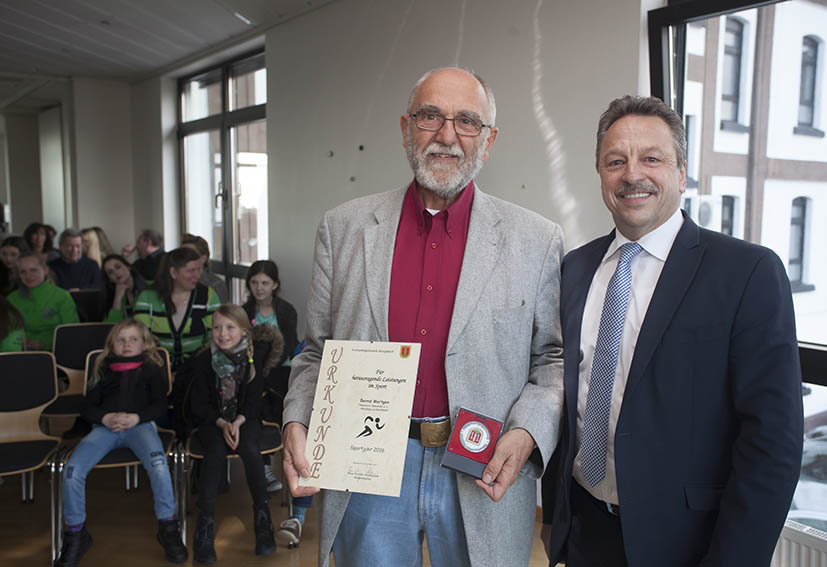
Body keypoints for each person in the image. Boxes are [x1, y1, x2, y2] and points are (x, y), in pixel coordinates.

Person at [282, 67, 564, 567]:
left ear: (489, 139)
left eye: (467, 122)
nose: (447, 135)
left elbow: (553, 361)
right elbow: (315, 352)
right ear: (406, 127)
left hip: (482, 465)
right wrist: (297, 421)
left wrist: (526, 433)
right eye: (431, 116)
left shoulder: (535, 241)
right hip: (366, 462)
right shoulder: (343, 228)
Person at [540, 95, 803, 567]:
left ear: (681, 173)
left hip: (688, 544)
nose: (632, 174)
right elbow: (567, 400)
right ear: (600, 174)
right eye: (615, 161)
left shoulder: (746, 272)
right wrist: (555, 518)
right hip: (586, 532)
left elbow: (773, 442)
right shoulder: (575, 269)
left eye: (652, 159)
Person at [53, 319, 188, 567]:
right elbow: (87, 406)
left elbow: (160, 404)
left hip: (141, 426)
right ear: (111, 345)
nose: (127, 344)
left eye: (133, 339)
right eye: (121, 340)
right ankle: (76, 534)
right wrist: (105, 417)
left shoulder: (150, 367)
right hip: (104, 428)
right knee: (71, 471)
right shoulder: (102, 367)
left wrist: (137, 417)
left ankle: (168, 527)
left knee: (159, 465)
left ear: (144, 344)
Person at [188, 304, 282, 563]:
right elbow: (199, 404)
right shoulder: (203, 361)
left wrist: (237, 422)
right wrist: (221, 423)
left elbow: (253, 402)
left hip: (245, 419)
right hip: (212, 421)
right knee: (215, 452)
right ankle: (204, 529)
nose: (223, 333)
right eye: (217, 327)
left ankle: (263, 521)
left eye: (230, 327)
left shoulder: (253, 358)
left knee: (251, 450)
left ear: (243, 331)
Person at [242, 260, 306, 545]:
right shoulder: (244, 312)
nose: (259, 288)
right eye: (254, 283)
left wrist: (268, 369)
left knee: (280, 407)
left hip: (282, 371)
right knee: (253, 404)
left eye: (264, 283)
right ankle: (265, 465)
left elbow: (291, 346)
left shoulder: (285, 310)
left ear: (275, 285)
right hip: (252, 371)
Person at [133, 247, 220, 435]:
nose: (197, 275)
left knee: (197, 385)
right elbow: (141, 340)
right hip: (156, 366)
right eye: (190, 270)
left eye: (199, 269)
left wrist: (186, 369)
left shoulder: (207, 295)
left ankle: (188, 439)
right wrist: (164, 370)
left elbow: (214, 336)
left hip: (195, 367)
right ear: (172, 272)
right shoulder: (147, 297)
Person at [8, 252, 79, 350]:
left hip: (56, 351)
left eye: (33, 270)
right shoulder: (12, 298)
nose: (28, 276)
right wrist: (23, 342)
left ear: (45, 270)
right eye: (23, 272)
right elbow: (8, 330)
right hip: (20, 351)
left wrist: (45, 343)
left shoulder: (62, 296)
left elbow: (71, 331)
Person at [180, 234, 227, 302]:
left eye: (190, 254)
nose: (183, 257)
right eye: (181, 253)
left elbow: (222, 311)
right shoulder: (176, 280)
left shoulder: (215, 284)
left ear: (203, 259)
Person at [102, 254, 147, 322]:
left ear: (128, 267)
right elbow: (110, 327)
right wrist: (117, 299)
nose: (115, 272)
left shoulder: (149, 288)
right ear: (110, 279)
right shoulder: (111, 297)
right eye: (110, 272)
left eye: (118, 267)